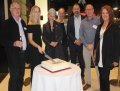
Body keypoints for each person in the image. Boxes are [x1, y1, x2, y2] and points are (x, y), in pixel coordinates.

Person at [1, 1, 28, 91]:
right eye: (15, 8)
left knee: (21, 77)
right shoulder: (6, 23)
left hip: (22, 55)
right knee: (14, 78)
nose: (17, 10)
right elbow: (2, 40)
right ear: (10, 10)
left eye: (18, 8)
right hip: (13, 55)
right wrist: (13, 43)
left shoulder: (23, 22)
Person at [93, 5, 119, 91]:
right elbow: (96, 41)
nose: (104, 15)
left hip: (108, 57)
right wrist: (94, 53)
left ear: (110, 14)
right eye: (103, 13)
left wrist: (116, 59)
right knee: (101, 77)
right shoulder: (99, 26)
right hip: (99, 56)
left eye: (106, 13)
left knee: (105, 78)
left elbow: (117, 44)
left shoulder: (114, 27)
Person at [79, 4, 100, 90]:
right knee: (87, 66)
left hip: (95, 48)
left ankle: (101, 84)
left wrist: (93, 44)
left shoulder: (98, 20)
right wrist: (86, 44)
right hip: (86, 47)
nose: (89, 11)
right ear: (85, 11)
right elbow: (81, 35)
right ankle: (88, 83)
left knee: (97, 66)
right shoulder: (83, 22)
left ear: (93, 10)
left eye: (90, 9)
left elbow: (100, 34)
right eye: (87, 10)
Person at [67, 3, 85, 84]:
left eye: (78, 9)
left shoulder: (84, 19)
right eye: (75, 9)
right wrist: (75, 40)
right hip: (73, 44)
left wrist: (80, 40)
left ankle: (82, 76)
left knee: (82, 61)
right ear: (73, 10)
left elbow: (86, 31)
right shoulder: (70, 19)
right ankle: (73, 76)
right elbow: (69, 32)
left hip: (82, 44)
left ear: (79, 10)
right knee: (73, 61)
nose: (76, 10)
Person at [27, 5, 44, 82]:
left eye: (38, 11)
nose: (37, 13)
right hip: (34, 50)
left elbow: (38, 39)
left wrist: (41, 46)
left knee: (39, 70)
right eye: (35, 11)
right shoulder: (30, 24)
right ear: (32, 13)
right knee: (34, 70)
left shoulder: (38, 24)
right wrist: (38, 47)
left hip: (39, 50)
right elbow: (30, 40)